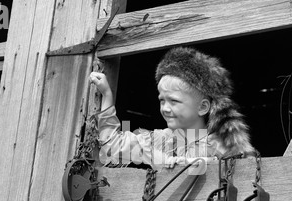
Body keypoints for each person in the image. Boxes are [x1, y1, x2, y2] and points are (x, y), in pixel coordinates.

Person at [90, 46, 255, 169]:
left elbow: (244, 171)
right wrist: (107, 96)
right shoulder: (157, 140)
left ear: (203, 107)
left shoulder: (220, 145)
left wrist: (190, 164)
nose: (165, 108)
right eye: (162, 100)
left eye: (174, 101)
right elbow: (111, 147)